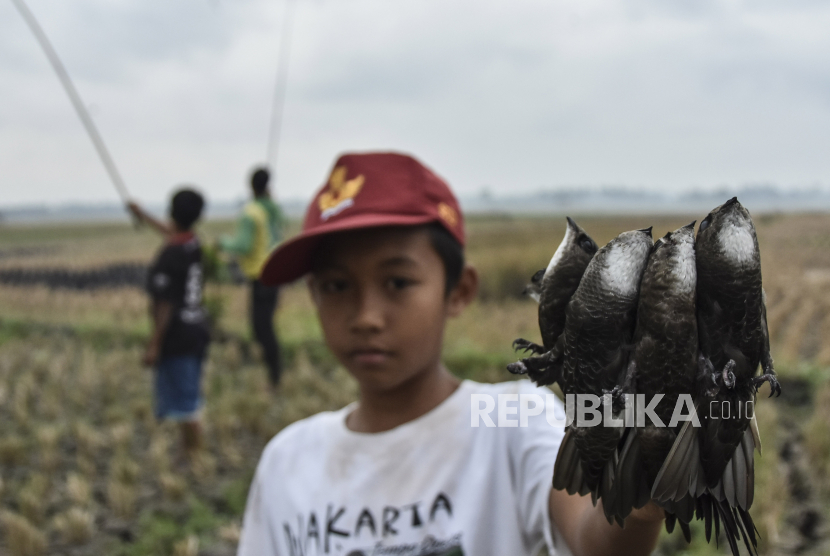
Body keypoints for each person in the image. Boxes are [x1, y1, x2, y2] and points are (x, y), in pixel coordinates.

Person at [236, 153, 665, 556]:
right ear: (313, 295)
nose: (366, 317)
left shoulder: (513, 420)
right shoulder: (287, 461)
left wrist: (640, 483)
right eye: (336, 286)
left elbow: (592, 536)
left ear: (459, 291)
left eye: (397, 283)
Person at [128, 190, 210, 460]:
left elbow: (164, 304)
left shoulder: (170, 255)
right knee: (189, 396)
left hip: (178, 337)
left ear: (171, 211)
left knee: (186, 405)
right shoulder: (191, 243)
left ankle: (192, 456)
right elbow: (173, 234)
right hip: (197, 329)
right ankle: (187, 451)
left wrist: (154, 344)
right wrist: (143, 216)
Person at [218, 167, 286, 386]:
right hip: (274, 272)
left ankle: (274, 377)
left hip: (260, 276)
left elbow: (243, 245)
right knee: (265, 327)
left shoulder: (251, 213)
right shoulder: (273, 210)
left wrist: (222, 243)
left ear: (250, 186)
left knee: (261, 329)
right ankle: (273, 373)